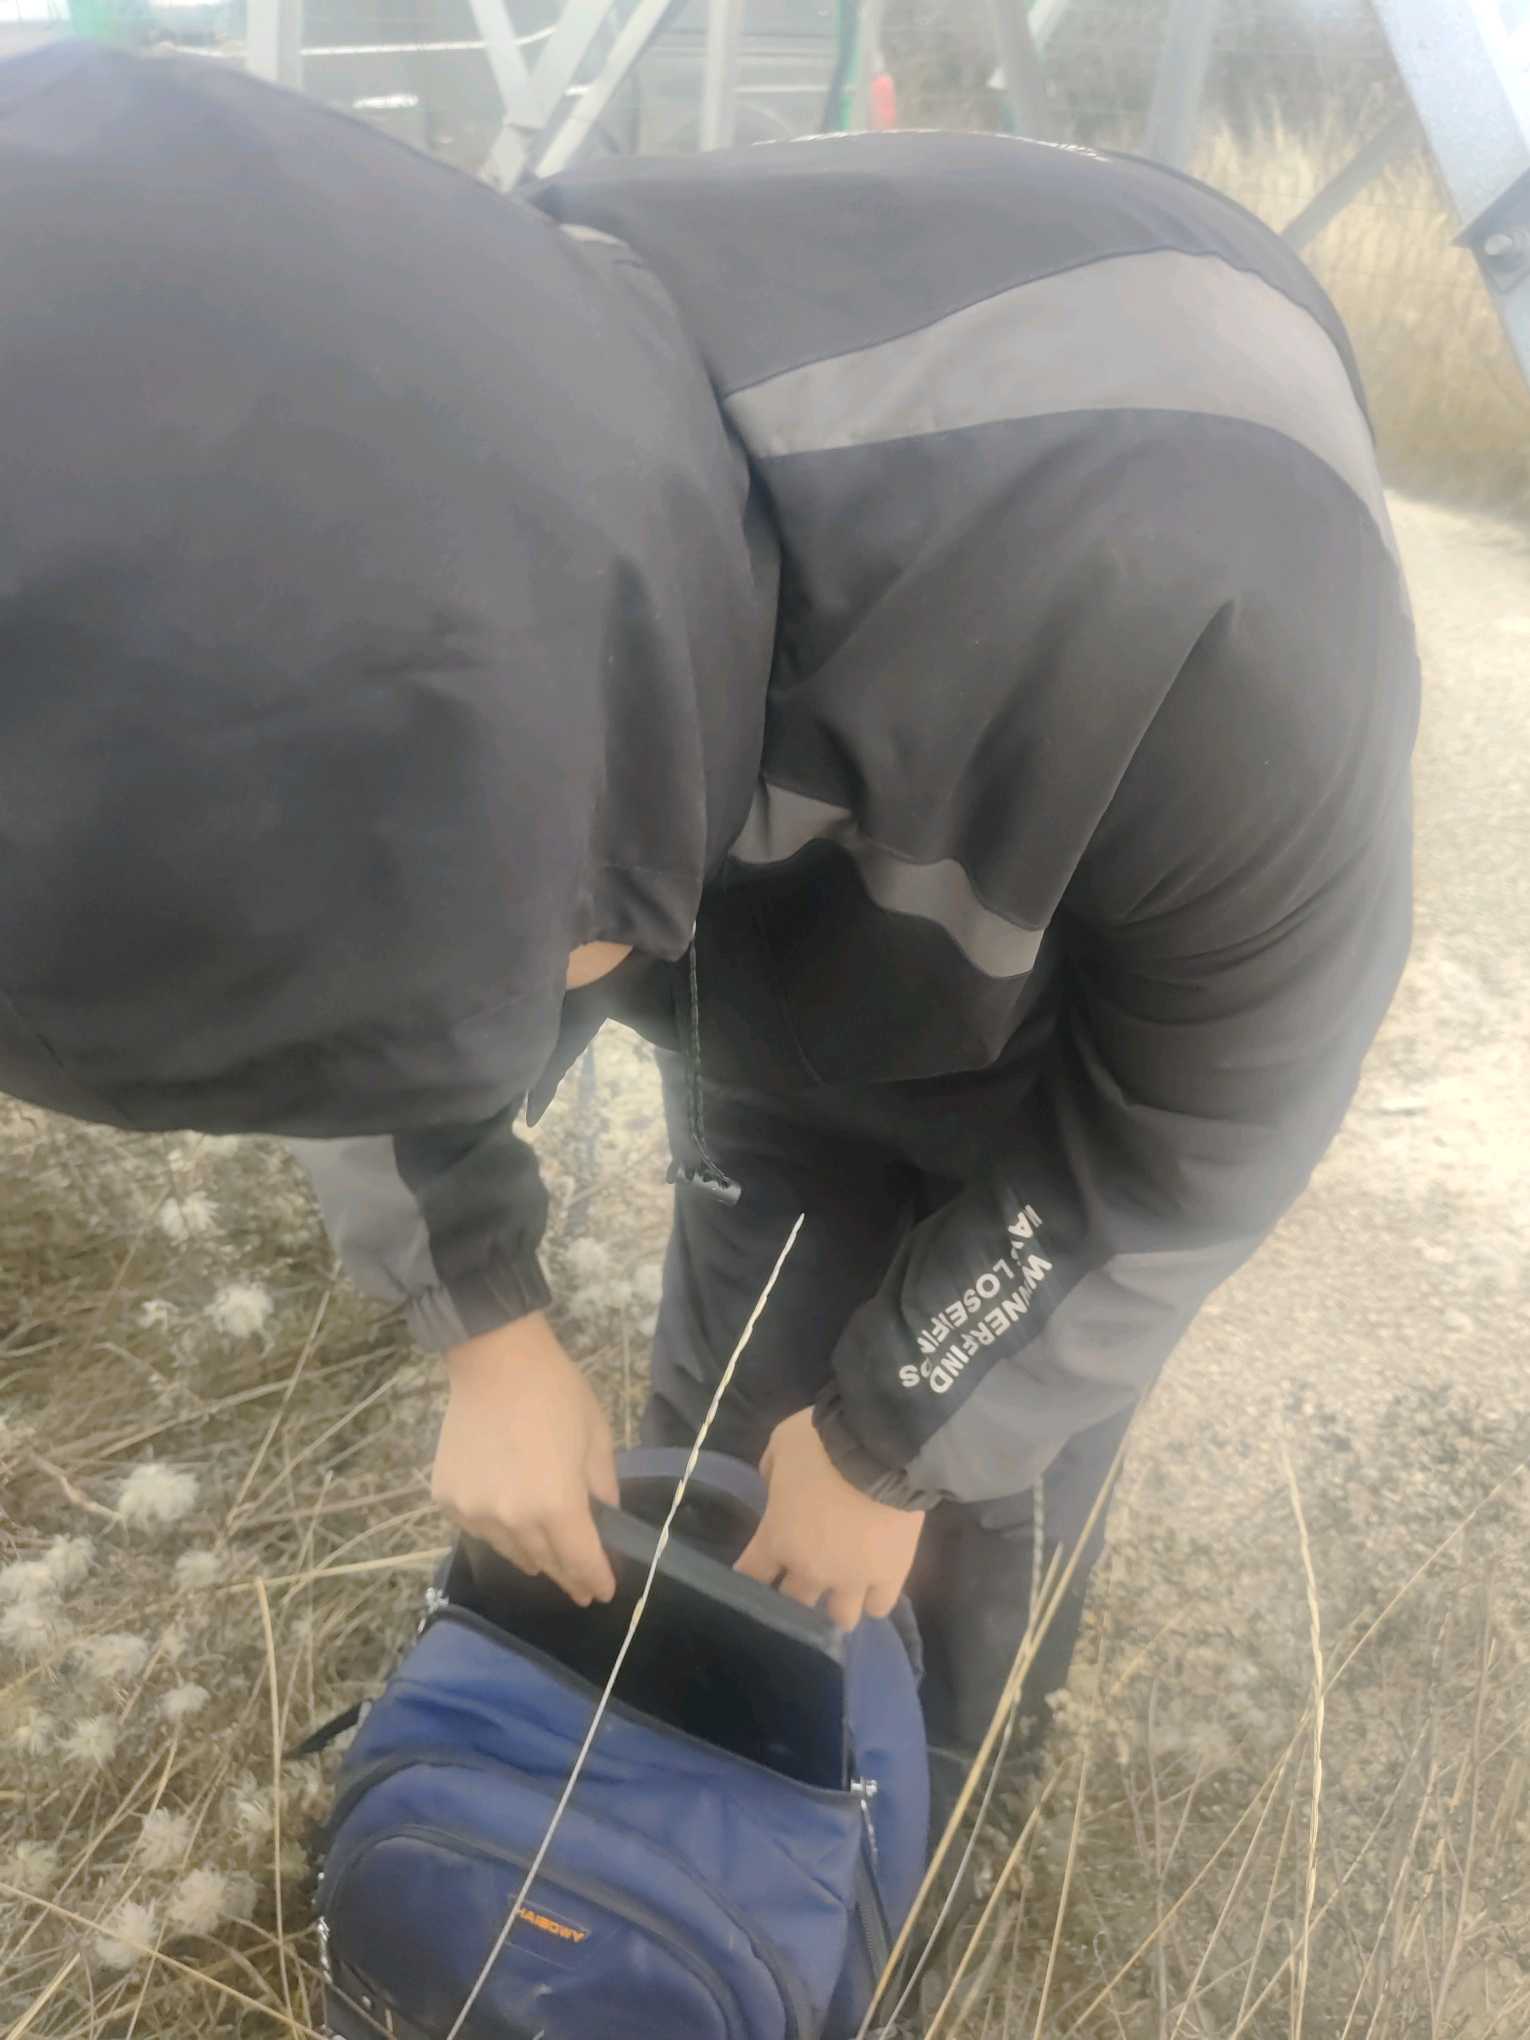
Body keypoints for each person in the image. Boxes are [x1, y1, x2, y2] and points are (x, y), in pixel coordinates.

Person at [0, 43, 1417, 1813]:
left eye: (488, 968)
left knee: (950, 1537)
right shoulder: (393, 529)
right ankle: (667, 1839)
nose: (494, 1023)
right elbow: (338, 969)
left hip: (1072, 1061)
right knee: (727, 1448)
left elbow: (1199, 1138)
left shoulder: (1218, 616)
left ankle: (915, 1850)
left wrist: (898, 1440)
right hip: (753, 968)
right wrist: (484, 1320)